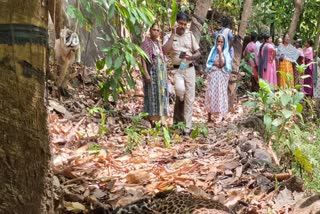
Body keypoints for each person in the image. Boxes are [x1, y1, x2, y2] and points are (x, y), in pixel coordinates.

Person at [163, 12, 201, 135]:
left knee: (190, 99)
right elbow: (165, 51)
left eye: (185, 24)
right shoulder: (169, 36)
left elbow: (198, 52)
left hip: (189, 69)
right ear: (176, 23)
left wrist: (192, 57)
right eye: (180, 23)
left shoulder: (190, 36)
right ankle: (180, 99)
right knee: (180, 91)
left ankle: (187, 128)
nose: (183, 26)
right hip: (177, 69)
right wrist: (173, 34)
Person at [140, 23, 169, 127]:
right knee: (151, 95)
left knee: (161, 95)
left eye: (157, 30)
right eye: (154, 30)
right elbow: (143, 59)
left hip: (161, 74)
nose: (156, 32)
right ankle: (151, 118)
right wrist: (146, 73)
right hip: (152, 72)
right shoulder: (146, 43)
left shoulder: (158, 43)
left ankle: (161, 118)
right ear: (150, 30)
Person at [205, 34, 232, 123]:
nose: (220, 43)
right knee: (211, 94)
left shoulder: (225, 53)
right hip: (212, 76)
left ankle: (221, 116)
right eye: (218, 41)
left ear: (224, 43)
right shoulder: (213, 51)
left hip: (221, 77)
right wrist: (214, 64)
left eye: (222, 42)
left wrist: (220, 52)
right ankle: (209, 116)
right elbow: (209, 63)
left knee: (221, 94)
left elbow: (221, 64)